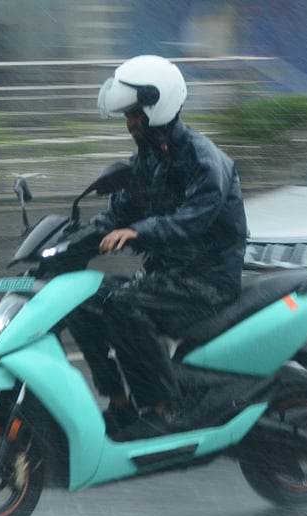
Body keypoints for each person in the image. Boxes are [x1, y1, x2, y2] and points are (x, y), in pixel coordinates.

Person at [67, 55, 249, 440]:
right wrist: (61, 245)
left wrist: (139, 233)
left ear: (159, 107)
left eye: (136, 114)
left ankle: (165, 408)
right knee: (81, 302)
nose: (130, 123)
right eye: (127, 116)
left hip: (206, 280)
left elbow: (195, 218)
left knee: (123, 304)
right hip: (168, 278)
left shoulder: (202, 158)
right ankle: (119, 402)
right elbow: (114, 217)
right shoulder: (145, 161)